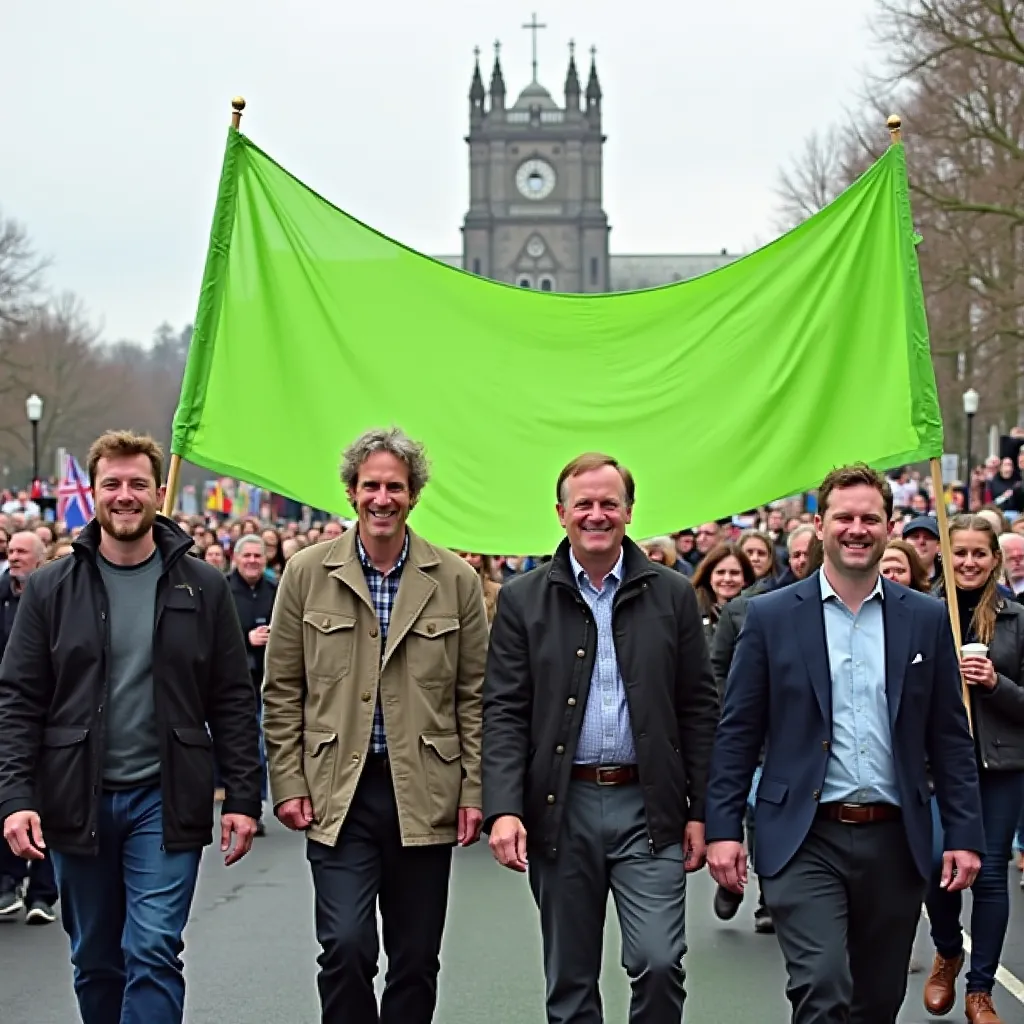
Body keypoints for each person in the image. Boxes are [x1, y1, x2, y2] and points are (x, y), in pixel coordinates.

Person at [705, 462, 985, 1023]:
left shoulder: (925, 620)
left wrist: (964, 833)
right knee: (823, 985)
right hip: (803, 837)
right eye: (845, 517)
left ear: (889, 527)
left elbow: (950, 739)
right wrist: (723, 831)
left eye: (870, 519)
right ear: (820, 524)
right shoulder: (769, 617)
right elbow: (738, 733)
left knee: (877, 1002)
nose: (857, 529)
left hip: (895, 838)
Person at [0, 430, 262, 1024]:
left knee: (152, 950)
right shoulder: (50, 588)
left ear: (158, 492)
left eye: (137, 483)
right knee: (95, 958)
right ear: (93, 493)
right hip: (76, 798)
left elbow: (230, 697)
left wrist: (244, 797)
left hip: (164, 800)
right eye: (112, 484)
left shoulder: (203, 584)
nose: (125, 495)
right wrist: (16, 797)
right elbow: (19, 699)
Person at [483, 452, 719, 1024]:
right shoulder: (523, 599)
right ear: (561, 513)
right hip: (561, 807)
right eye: (583, 504)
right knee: (571, 980)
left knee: (660, 961)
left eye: (608, 503)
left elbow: (698, 708)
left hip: (651, 807)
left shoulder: (672, 594)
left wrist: (703, 811)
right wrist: (503, 810)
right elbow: (504, 710)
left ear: (629, 512)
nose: (596, 514)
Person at [262, 426, 488, 1024]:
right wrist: (288, 783)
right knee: (345, 946)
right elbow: (282, 689)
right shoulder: (308, 573)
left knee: (415, 959)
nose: (381, 498)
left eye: (394, 487)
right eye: (370, 486)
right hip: (340, 789)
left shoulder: (455, 580)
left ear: (413, 495)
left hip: (425, 792)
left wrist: (474, 791)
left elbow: (475, 695)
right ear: (351, 493)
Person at [923, 515, 1024, 1024]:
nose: (968, 562)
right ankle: (947, 951)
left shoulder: (1017, 620)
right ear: (944, 557)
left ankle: (979, 990)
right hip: (934, 768)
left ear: (994, 560)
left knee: (987, 878)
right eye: (958, 553)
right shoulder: (919, 614)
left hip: (998, 767)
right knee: (934, 868)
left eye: (978, 554)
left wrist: (994, 683)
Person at [0, 530, 58, 924]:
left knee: (51, 803)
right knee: (11, 796)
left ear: (40, 559)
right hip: (11, 712)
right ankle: (7, 880)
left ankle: (43, 891)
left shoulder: (55, 596)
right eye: (11, 551)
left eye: (23, 551)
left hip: (54, 718)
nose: (14, 556)